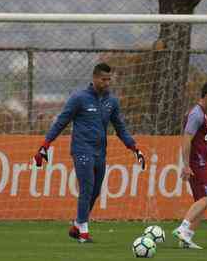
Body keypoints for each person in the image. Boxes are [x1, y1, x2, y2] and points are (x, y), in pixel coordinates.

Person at [34, 63, 146, 243]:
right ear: (94, 78)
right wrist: (45, 144)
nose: (107, 83)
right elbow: (61, 122)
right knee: (86, 188)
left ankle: (77, 224)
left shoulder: (112, 101)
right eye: (104, 79)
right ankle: (83, 233)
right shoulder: (79, 98)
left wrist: (135, 148)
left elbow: (120, 128)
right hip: (81, 149)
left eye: (109, 79)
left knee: (95, 191)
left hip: (100, 152)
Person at [172, 80, 207, 249]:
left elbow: (201, 138)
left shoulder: (204, 114)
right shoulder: (196, 114)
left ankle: (186, 239)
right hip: (197, 163)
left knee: (201, 201)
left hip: (201, 160)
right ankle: (183, 228)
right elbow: (186, 140)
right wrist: (186, 165)